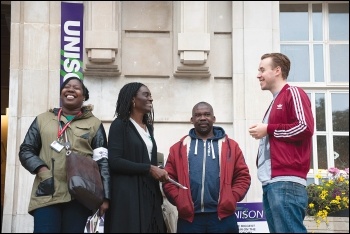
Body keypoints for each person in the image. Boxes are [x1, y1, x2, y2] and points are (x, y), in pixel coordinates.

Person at [18, 77, 110, 233]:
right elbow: (26, 150)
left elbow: (102, 161)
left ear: (84, 96)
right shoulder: (43, 119)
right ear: (61, 94)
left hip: (80, 195)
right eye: (67, 86)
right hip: (47, 193)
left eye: (77, 87)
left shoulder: (95, 124)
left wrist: (105, 197)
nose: (71, 89)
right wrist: (42, 171)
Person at [248, 52, 315, 233]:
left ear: (277, 71)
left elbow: (305, 127)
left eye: (262, 69)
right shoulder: (276, 101)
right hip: (273, 183)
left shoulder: (293, 92)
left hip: (286, 182)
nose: (258, 75)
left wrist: (268, 129)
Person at [162, 101, 251, 233]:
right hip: (190, 220)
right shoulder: (178, 148)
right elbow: (168, 179)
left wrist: (231, 198)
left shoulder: (231, 146)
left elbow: (243, 176)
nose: (203, 118)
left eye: (207, 114)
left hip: (223, 218)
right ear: (192, 120)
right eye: (198, 115)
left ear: (213, 118)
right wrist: (179, 199)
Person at [104, 82, 168, 233]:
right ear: (133, 99)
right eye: (146, 95)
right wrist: (149, 168)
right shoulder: (120, 125)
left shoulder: (148, 127)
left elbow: (148, 160)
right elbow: (114, 161)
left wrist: (158, 171)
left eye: (151, 95)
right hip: (127, 196)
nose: (151, 99)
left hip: (149, 193)